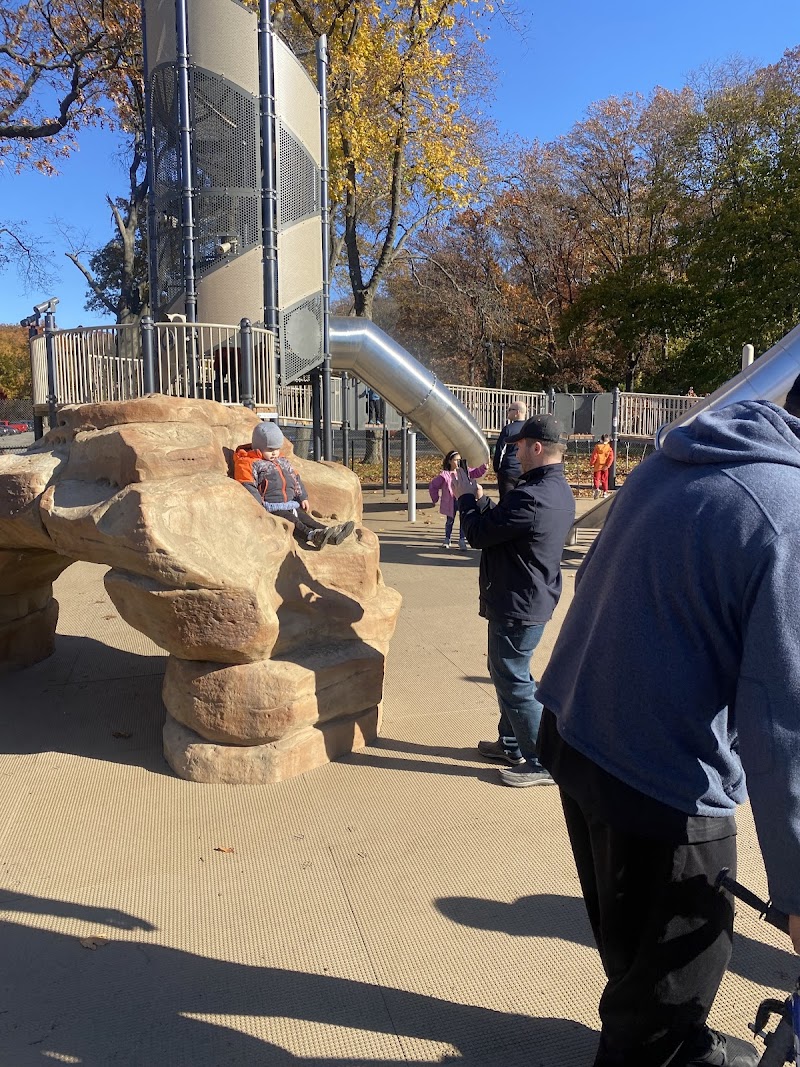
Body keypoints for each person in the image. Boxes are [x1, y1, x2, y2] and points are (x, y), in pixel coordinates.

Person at [535, 375, 800, 1066]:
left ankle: (663, 1034)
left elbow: (594, 574)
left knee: (631, 941)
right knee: (682, 962)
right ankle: (655, 1045)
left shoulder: (682, 456)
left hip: (574, 724)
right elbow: (783, 727)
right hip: (661, 775)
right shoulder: (790, 512)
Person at [453, 414, 576, 786]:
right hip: (527, 597)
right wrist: (481, 500)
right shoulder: (552, 490)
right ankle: (511, 743)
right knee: (506, 672)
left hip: (518, 602)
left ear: (536, 448)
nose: (513, 452)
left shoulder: (531, 496)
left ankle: (541, 760)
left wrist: (464, 499)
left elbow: (478, 534)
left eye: (519, 446)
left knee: (514, 678)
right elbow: (508, 526)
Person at [234, 421, 355, 549]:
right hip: (272, 506)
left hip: (290, 503)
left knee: (306, 518)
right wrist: (258, 508)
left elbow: (295, 478)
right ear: (258, 447)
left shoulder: (281, 460)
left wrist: (302, 497)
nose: (275, 453)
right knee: (293, 521)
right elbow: (248, 485)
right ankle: (312, 535)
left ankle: (329, 532)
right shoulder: (248, 462)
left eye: (277, 449)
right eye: (270, 449)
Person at [428, 450, 488, 550]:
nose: (458, 462)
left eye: (460, 460)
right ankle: (447, 539)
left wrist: (483, 467)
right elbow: (433, 485)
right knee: (449, 521)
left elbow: (476, 472)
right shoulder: (445, 475)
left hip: (462, 500)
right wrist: (435, 498)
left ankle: (462, 540)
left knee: (463, 520)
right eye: (456, 460)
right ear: (450, 461)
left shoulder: (465, 471)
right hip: (450, 502)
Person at [492, 401, 527, 500]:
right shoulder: (530, 428)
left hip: (509, 471)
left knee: (506, 501)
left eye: (510, 410)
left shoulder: (508, 429)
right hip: (525, 471)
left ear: (517, 412)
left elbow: (500, 450)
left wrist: (496, 468)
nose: (508, 412)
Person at [589, 434, 614, 499]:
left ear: (601, 439)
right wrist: (607, 465)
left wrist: (591, 463)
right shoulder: (609, 448)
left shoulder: (597, 447)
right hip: (605, 466)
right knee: (605, 479)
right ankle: (605, 492)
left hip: (597, 465)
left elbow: (594, 456)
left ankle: (597, 488)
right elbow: (611, 458)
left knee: (596, 478)